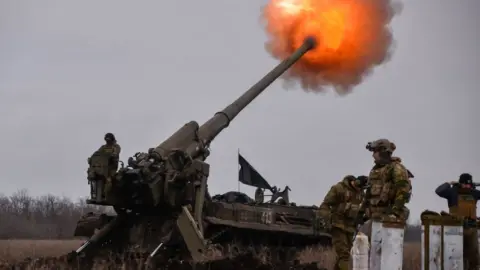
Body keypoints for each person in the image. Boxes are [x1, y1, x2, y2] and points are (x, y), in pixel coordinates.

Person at [318, 175, 368, 270]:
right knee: (343, 254)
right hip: (337, 225)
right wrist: (327, 220)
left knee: (345, 255)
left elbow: (361, 209)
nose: (360, 189)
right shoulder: (339, 189)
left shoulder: (361, 193)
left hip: (350, 227)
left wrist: (362, 217)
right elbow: (325, 205)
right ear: (355, 182)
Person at [435, 173, 480, 270]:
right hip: (455, 230)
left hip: (471, 229)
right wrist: (449, 183)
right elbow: (439, 191)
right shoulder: (452, 192)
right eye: (465, 184)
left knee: (473, 258)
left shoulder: (474, 193)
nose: (467, 186)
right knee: (455, 257)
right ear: (460, 183)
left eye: (469, 184)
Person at [365, 139, 411, 222]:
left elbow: (403, 191)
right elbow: (368, 194)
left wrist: (394, 212)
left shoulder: (396, 168)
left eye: (375, 152)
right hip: (374, 219)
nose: (373, 155)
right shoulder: (375, 170)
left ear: (383, 151)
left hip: (389, 220)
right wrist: (361, 214)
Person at [87, 133, 121, 201]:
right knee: (93, 174)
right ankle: (95, 195)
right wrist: (92, 158)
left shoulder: (116, 146)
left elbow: (116, 153)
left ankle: (106, 196)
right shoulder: (103, 147)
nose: (107, 141)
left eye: (109, 140)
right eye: (106, 140)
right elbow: (97, 153)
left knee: (109, 180)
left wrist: (113, 155)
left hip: (112, 168)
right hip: (103, 167)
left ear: (112, 139)